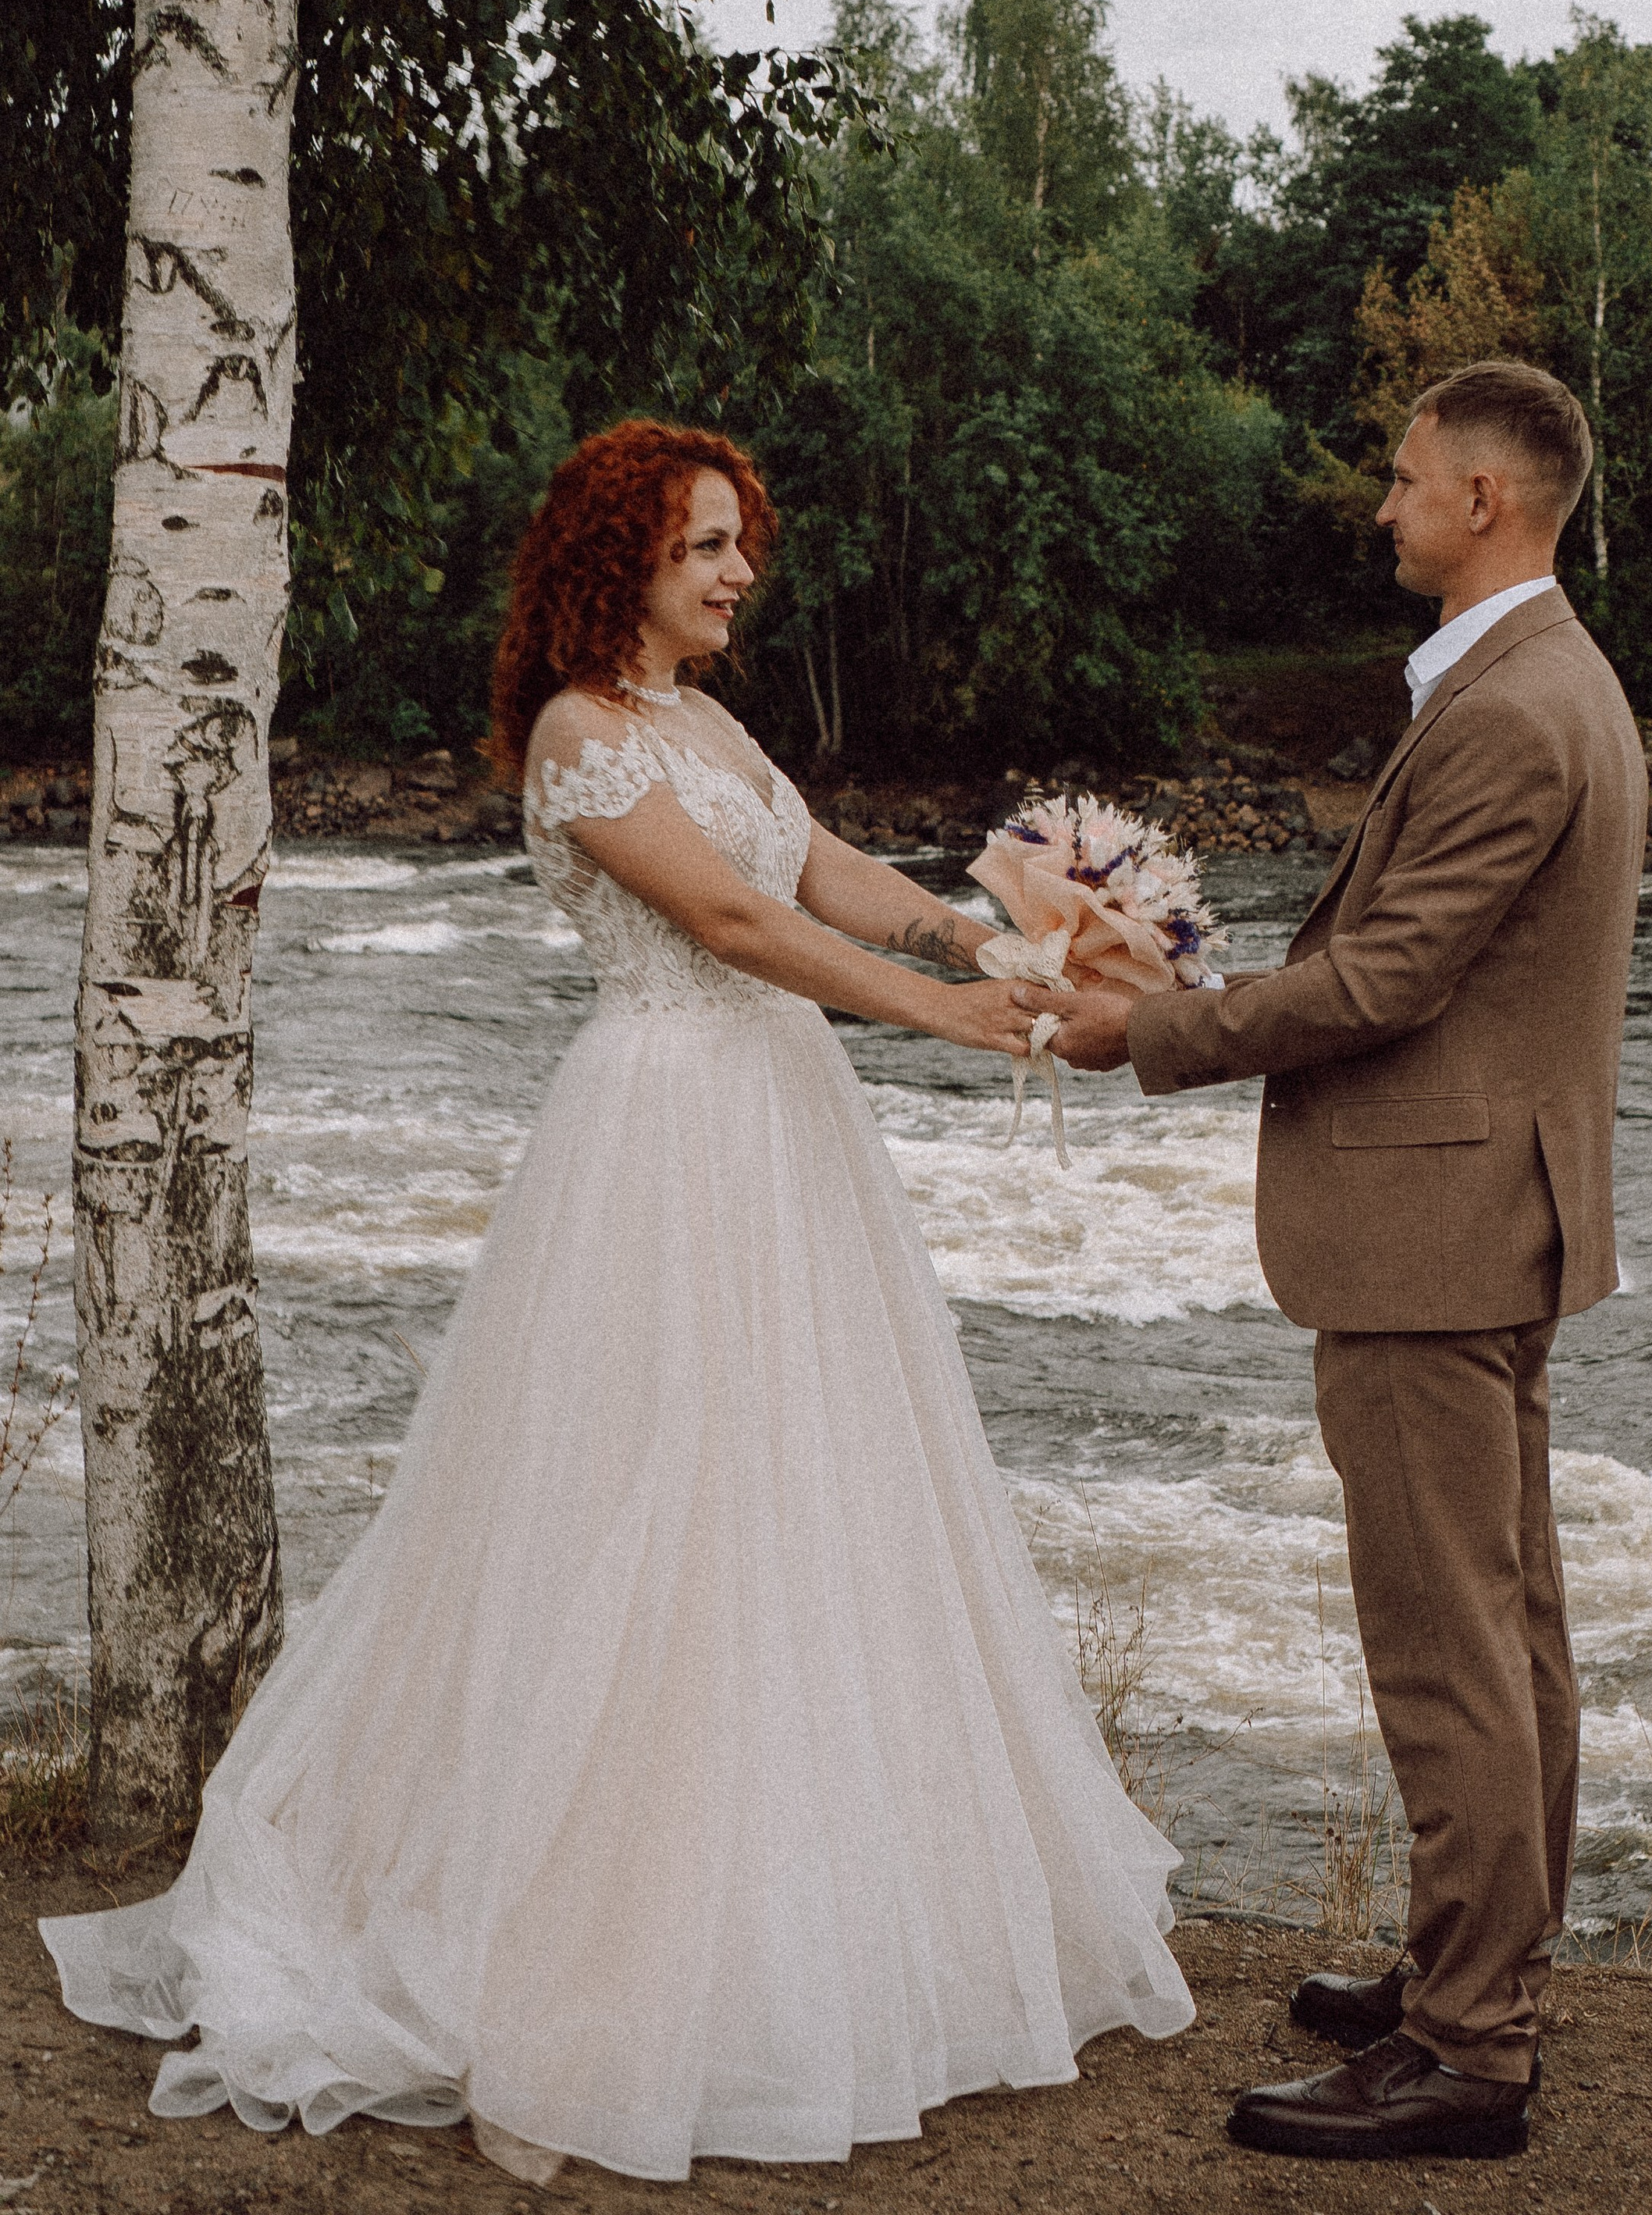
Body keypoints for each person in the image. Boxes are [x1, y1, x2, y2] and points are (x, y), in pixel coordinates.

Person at [44, 418, 1191, 2185]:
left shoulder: (712, 721)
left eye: (743, 543)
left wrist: (983, 937)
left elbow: (821, 875)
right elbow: (729, 923)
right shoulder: (584, 736)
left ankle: (797, 1908)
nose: (741, 571)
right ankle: (597, 1934)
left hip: (783, 1127)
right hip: (664, 1129)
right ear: (618, 558)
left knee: (801, 1492)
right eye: (706, 544)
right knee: (639, 1496)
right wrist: (943, 1023)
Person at [1043, 361, 1645, 2164]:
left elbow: (1385, 979)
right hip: (1492, 1214)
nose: (1378, 506)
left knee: (1447, 1643)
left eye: (1399, 480)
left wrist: (1149, 1028)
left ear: (1483, 499)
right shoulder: (1550, 682)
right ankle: (1474, 1972)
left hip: (1428, 1232)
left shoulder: (1510, 710)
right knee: (1510, 1623)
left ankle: (1470, 2050)